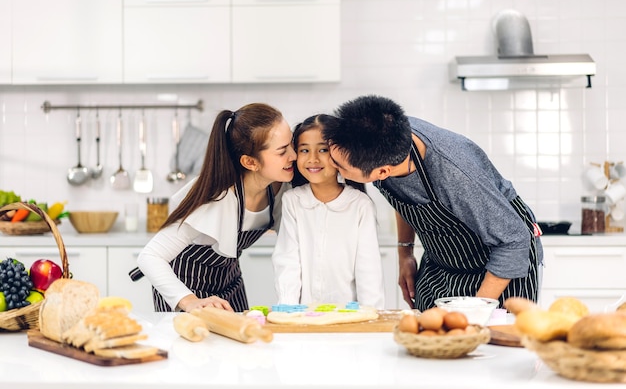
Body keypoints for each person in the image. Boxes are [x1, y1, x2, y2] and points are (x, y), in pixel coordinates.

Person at [322, 95, 543, 311]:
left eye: (340, 167)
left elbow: (513, 241)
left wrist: (476, 312)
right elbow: (405, 196)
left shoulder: (456, 176)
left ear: (382, 171)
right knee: (431, 335)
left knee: (483, 340)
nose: (333, 167)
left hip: (499, 260)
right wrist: (405, 253)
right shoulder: (382, 142)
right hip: (442, 260)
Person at [134, 103, 297, 313]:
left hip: (229, 281)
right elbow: (150, 257)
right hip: (185, 285)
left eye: (291, 143)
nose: (293, 155)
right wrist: (189, 301)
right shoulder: (216, 196)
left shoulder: (281, 189)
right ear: (250, 162)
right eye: (282, 151)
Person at [272, 114, 385, 308]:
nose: (313, 159)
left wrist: (371, 315)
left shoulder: (359, 205)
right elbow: (287, 261)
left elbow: (369, 270)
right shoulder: (293, 201)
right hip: (303, 315)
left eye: (323, 150)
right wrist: (287, 309)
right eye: (304, 150)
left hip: (349, 317)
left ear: (340, 153)